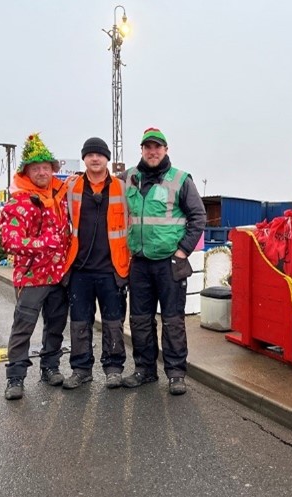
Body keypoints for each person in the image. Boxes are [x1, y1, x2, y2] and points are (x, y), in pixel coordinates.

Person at [121, 128, 206, 395]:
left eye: (157, 147)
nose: (152, 151)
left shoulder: (180, 180)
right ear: (142, 150)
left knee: (173, 320)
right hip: (140, 263)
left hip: (170, 263)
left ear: (166, 150)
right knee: (140, 320)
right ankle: (145, 370)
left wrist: (182, 252)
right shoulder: (128, 178)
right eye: (148, 147)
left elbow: (198, 217)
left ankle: (176, 373)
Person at [0, 133, 70, 400]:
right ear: (26, 172)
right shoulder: (19, 202)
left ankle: (50, 368)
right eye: (35, 168)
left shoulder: (59, 197)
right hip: (31, 277)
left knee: (56, 326)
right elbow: (11, 242)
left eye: (46, 168)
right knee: (23, 327)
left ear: (52, 170)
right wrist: (47, 242)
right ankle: (15, 377)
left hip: (59, 275)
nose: (41, 172)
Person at [61, 137, 130, 390]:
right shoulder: (72, 187)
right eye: (90, 154)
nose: (95, 158)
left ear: (107, 158)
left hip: (112, 268)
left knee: (113, 322)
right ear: (84, 158)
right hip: (80, 269)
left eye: (99, 154)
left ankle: (113, 368)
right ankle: (81, 369)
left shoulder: (122, 188)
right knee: (79, 321)